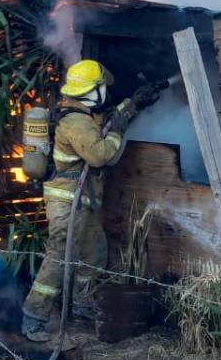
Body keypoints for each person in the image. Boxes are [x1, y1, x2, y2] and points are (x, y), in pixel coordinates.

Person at [21, 59, 159, 342]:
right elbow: (101, 154)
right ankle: (33, 317)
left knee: (94, 252)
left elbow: (106, 120)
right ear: (93, 91)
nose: (105, 92)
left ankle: (81, 304)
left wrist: (133, 104)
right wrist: (120, 130)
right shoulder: (76, 122)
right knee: (59, 257)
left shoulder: (82, 113)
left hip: (83, 200)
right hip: (67, 201)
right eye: (101, 88)